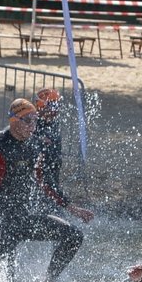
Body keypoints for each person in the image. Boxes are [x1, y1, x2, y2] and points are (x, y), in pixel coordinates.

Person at [0, 99, 86, 282]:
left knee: (73, 236)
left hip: (25, 219)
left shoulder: (35, 144)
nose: (33, 125)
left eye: (35, 120)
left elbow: (45, 181)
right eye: (28, 120)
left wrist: (70, 207)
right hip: (0, 223)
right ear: (14, 120)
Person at [32, 88, 95, 223]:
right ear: (42, 107)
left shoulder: (52, 122)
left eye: (57, 106)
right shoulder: (33, 125)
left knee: (54, 208)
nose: (56, 110)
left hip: (51, 176)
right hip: (42, 180)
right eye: (53, 106)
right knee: (49, 212)